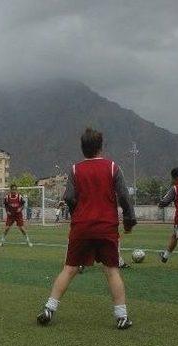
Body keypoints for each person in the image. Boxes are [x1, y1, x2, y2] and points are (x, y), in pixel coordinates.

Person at [37, 128, 136, 329]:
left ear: (82, 148)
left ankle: (49, 308)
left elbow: (68, 198)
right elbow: (125, 197)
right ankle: (121, 316)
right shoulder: (112, 168)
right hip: (106, 227)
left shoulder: (75, 170)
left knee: (70, 268)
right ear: (101, 146)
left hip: (81, 227)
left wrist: (78, 216)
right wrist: (129, 220)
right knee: (111, 270)